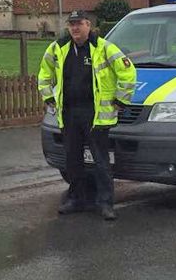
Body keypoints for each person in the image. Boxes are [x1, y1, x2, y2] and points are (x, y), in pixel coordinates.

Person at [38, 11, 136, 221]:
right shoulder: (59, 47)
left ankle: (105, 203)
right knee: (72, 160)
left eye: (79, 24)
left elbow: (128, 72)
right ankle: (77, 199)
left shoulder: (103, 47)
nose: (75, 28)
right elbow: (44, 72)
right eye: (71, 24)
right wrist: (48, 97)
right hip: (69, 113)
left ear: (88, 25)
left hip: (95, 115)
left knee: (101, 161)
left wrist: (121, 100)